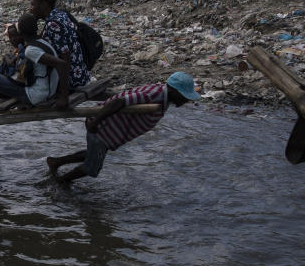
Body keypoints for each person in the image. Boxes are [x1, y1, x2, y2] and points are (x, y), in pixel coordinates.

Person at [46, 72, 200, 184]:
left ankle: (56, 162)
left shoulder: (163, 95)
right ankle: (62, 182)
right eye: (184, 96)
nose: (185, 100)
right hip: (102, 126)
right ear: (174, 91)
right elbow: (118, 102)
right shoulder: (155, 95)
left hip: (108, 128)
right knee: (92, 168)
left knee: (92, 154)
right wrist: (95, 123)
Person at [0, 13, 69, 108]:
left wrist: (64, 98)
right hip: (46, 92)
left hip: (34, 95)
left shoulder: (31, 50)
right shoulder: (43, 42)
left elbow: (62, 65)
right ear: (36, 28)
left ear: (20, 33)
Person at [29, 0, 90, 89]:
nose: (30, 9)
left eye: (33, 5)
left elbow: (65, 58)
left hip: (71, 80)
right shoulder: (60, 14)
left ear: (44, 5)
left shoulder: (53, 24)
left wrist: (63, 95)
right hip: (80, 74)